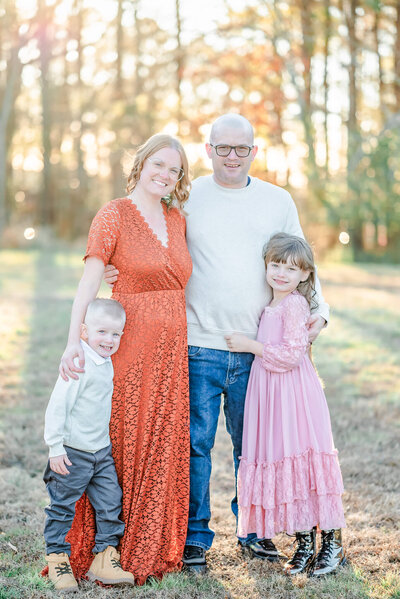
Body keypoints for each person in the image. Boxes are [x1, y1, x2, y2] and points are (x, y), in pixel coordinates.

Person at [104, 114, 330, 573]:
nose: (231, 157)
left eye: (240, 149)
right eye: (222, 148)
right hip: (197, 342)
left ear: (254, 151)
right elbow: (146, 231)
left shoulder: (277, 199)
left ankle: (255, 532)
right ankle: (194, 538)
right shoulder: (187, 195)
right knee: (195, 447)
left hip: (256, 348)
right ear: (207, 150)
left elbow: (301, 257)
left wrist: (320, 310)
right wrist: (115, 268)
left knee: (255, 447)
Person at [58, 134, 193, 584]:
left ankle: (150, 542)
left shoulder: (178, 219)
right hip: (127, 342)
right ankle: (105, 549)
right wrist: (73, 339)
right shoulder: (113, 214)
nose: (165, 175)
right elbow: (90, 280)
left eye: (174, 170)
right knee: (120, 435)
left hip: (172, 352)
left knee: (160, 438)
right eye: (158, 164)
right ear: (141, 164)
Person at [226, 233, 346, 577]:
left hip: (292, 391)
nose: (281, 273)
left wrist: (251, 345)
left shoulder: (293, 304)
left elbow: (292, 355)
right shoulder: (273, 303)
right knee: (284, 459)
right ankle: (305, 541)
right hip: (271, 391)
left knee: (304, 459)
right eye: (275, 265)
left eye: (291, 269)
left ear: (305, 275)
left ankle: (332, 543)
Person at [44, 298, 135, 591]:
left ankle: (104, 559)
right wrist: (55, 447)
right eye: (102, 332)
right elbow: (58, 405)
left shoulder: (105, 360)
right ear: (83, 332)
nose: (109, 340)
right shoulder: (79, 361)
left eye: (116, 334)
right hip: (72, 453)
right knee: (62, 507)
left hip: (101, 452)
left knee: (111, 503)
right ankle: (58, 558)